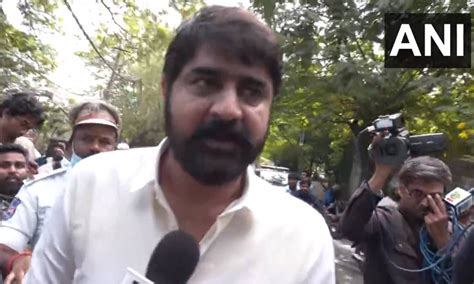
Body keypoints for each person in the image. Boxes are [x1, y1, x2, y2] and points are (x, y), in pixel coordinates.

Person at [25, 6, 335, 284]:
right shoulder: (91, 186)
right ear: (166, 89)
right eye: (205, 83)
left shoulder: (304, 237)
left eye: (252, 91)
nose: (228, 109)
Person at [0, 100, 120, 283]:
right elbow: (5, 243)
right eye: (86, 138)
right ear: (72, 143)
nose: (95, 147)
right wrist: (18, 261)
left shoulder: (136, 192)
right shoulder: (39, 190)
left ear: (115, 147)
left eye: (105, 141)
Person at [340, 155, 455, 284]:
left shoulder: (448, 228)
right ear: (401, 190)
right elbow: (349, 228)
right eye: (417, 193)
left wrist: (443, 243)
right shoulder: (383, 219)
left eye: (435, 196)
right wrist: (380, 174)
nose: (425, 203)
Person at [0, 144, 29, 217]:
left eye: (19, 165)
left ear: (27, 170)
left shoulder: (36, 201)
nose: (12, 170)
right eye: (4, 165)